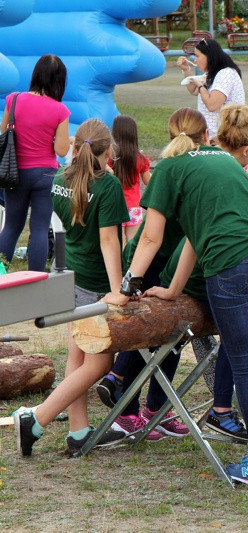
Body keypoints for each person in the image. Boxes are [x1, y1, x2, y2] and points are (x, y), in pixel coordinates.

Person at [104, 107, 248, 491]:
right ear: (204, 138)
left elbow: (151, 237)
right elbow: (195, 239)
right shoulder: (223, 159)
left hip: (232, 263)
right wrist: (173, 290)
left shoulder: (167, 169)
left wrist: (127, 287)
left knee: (246, 364)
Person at [13, 118, 129, 457]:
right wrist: (118, 289)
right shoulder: (108, 185)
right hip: (94, 283)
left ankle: (78, 430)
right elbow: (109, 241)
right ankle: (36, 418)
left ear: (76, 147)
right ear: (108, 151)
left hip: (67, 277)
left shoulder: (60, 179)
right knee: (99, 365)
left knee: (77, 357)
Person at [0, 54, 70, 271]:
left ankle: (1, 271)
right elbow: (61, 150)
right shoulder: (60, 110)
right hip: (45, 175)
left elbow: (4, 132)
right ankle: (36, 278)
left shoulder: (13, 100)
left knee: (11, 226)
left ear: (36, 74)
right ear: (59, 81)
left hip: (15, 172)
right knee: (39, 228)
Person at [176, 38, 245, 141]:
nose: (195, 60)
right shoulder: (213, 73)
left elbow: (212, 105)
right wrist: (186, 70)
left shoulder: (226, 74)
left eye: (197, 56)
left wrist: (201, 86)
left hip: (225, 139)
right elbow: (194, 90)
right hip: (213, 137)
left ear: (209, 56)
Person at [110, 114, 151, 245]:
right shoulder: (141, 159)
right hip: (134, 207)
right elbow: (149, 182)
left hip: (116, 206)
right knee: (133, 244)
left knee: (119, 244)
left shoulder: (110, 157)